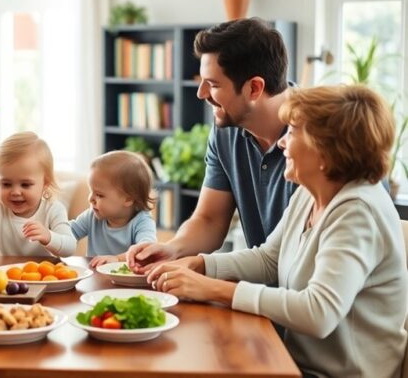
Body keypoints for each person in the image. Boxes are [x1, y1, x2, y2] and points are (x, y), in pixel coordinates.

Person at [148, 85, 407, 378]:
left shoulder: (358, 212)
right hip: (295, 365)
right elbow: (269, 258)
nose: (282, 142)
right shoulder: (310, 194)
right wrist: (201, 265)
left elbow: (319, 312)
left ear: (325, 150)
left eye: (293, 132)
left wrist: (213, 289)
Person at [127, 17, 298, 273]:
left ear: (254, 88)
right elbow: (209, 220)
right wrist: (172, 249)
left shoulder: (317, 136)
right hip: (263, 288)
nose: (201, 93)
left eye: (213, 84)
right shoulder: (225, 131)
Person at [0, 132, 76, 257]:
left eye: (25, 184)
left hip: (41, 270)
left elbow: (70, 247)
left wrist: (49, 237)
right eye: (6, 184)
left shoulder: (54, 210)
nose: (15, 192)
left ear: (45, 183)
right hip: (2, 270)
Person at [69, 151, 156, 268]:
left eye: (99, 195)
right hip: (95, 275)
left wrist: (117, 259)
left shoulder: (142, 222)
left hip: (125, 277)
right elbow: (68, 233)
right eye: (91, 192)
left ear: (128, 199)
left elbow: (146, 250)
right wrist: (50, 233)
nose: (90, 199)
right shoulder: (92, 216)